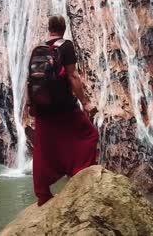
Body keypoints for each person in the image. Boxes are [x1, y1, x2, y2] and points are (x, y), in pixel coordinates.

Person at [27, 15, 99, 206]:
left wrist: (30, 105)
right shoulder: (65, 46)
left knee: (43, 148)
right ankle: (80, 173)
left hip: (42, 107)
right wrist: (86, 102)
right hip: (63, 106)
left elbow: (30, 80)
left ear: (48, 28)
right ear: (64, 28)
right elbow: (73, 76)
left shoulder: (37, 48)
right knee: (88, 134)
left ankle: (43, 194)